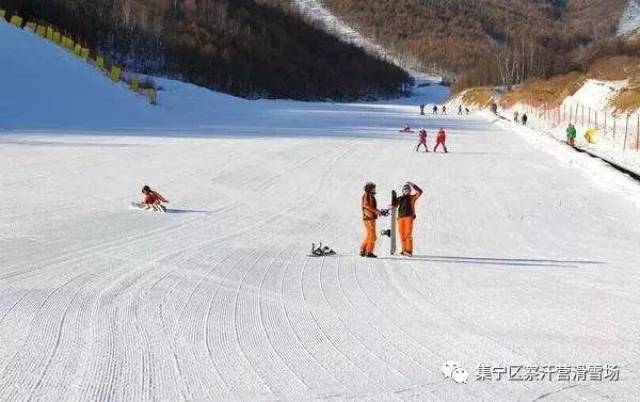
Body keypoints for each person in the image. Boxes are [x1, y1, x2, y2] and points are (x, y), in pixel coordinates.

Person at [392, 182, 423, 257]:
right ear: (403, 191)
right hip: (400, 218)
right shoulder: (400, 198)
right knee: (402, 234)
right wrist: (393, 198)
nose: (407, 191)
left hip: (409, 217)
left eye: (408, 190)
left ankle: (409, 250)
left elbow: (420, 192)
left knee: (407, 234)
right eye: (405, 190)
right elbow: (394, 205)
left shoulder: (412, 197)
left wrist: (413, 185)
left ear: (410, 191)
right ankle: (404, 250)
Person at [361, 182, 387, 258]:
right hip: (369, 218)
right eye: (373, 188)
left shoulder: (369, 196)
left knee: (369, 235)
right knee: (373, 236)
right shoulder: (367, 195)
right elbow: (366, 205)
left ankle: (363, 249)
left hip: (369, 217)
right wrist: (377, 211)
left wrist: (379, 212)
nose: (374, 189)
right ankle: (369, 252)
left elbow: (371, 207)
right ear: (369, 189)